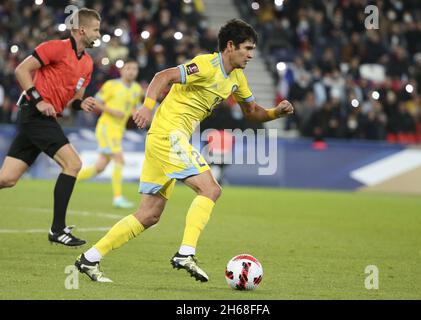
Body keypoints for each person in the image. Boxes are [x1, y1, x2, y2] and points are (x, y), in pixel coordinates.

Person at [75, 19, 293, 283]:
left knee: (149, 215)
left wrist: (274, 113)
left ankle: (90, 258)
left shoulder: (237, 78)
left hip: (165, 138)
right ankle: (185, 253)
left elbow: (252, 112)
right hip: (169, 134)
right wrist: (147, 106)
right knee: (211, 189)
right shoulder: (205, 64)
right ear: (230, 46)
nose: (251, 54)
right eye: (247, 48)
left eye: (253, 49)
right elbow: (162, 76)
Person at [0, 8, 101, 247]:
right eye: (96, 29)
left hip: (44, 117)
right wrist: (39, 100)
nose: (99, 34)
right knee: (73, 163)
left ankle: (57, 229)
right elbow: (21, 70)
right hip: (34, 113)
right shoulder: (55, 47)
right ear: (81, 29)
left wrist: (80, 103)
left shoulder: (87, 63)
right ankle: (57, 229)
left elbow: (73, 99)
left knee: (7, 178)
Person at [77, 60, 143, 209]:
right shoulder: (111, 85)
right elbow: (96, 102)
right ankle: (118, 198)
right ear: (122, 70)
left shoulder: (137, 89)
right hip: (107, 127)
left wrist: (138, 115)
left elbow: (132, 108)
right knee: (119, 160)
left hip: (119, 130)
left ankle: (69, 179)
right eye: (129, 68)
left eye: (134, 68)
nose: (132, 71)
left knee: (99, 167)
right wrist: (112, 111)